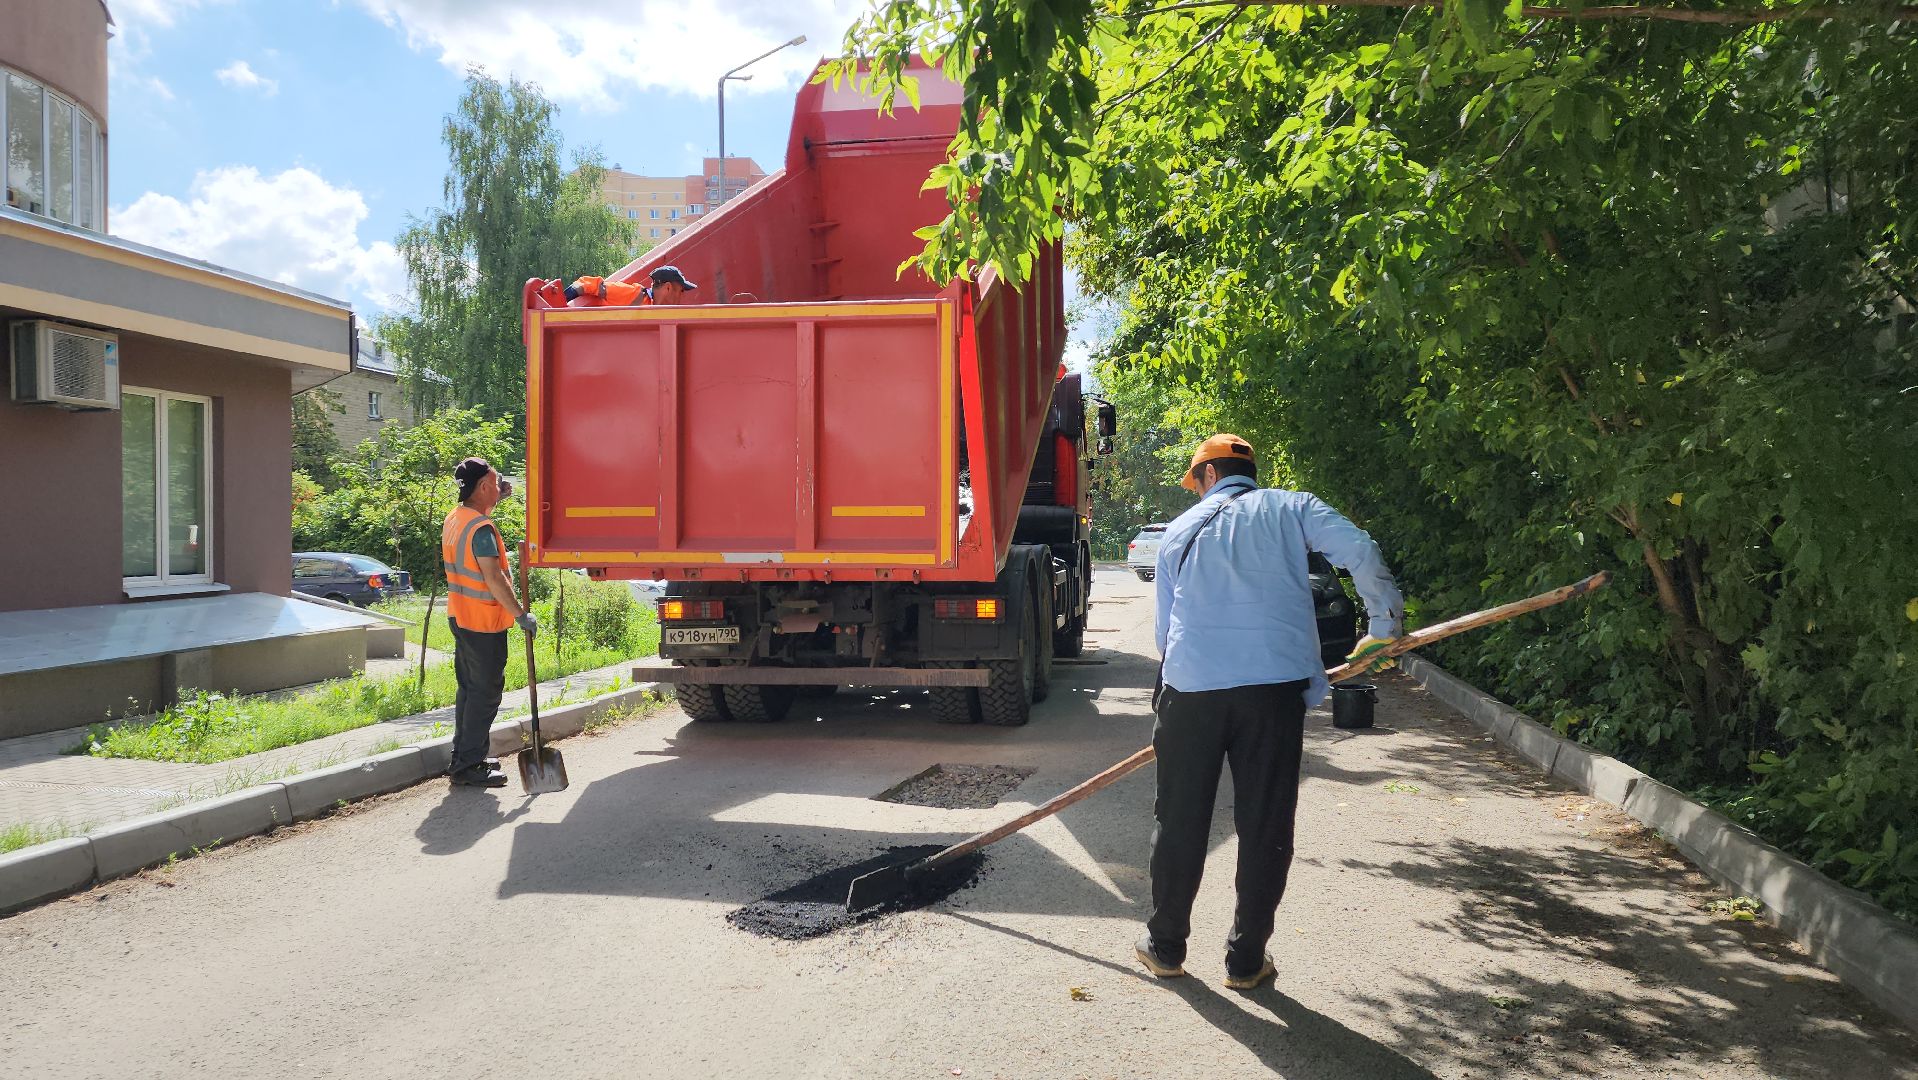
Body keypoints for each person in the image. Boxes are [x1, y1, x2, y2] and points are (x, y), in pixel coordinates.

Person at [1138, 434, 1403, 989]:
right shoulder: (1293, 507)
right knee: (1265, 825)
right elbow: (1361, 549)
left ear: (1208, 475)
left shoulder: (1179, 532)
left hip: (1192, 692)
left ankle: (1164, 947)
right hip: (1273, 692)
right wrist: (1381, 632)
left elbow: (1166, 631)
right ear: (1248, 472)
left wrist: (1174, 686)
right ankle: (1245, 959)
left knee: (1180, 819)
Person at [441, 457, 539, 789]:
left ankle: (466, 754)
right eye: (495, 484)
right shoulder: (481, 529)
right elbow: (494, 579)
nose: (500, 489)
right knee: (484, 694)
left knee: (469, 691)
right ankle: (469, 765)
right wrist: (520, 615)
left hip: (461, 617)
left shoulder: (457, 518)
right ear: (483, 487)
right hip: (483, 624)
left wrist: (498, 497)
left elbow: (475, 527)